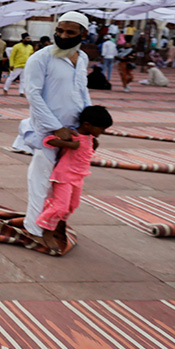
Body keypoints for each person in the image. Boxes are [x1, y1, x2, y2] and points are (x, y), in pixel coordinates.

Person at [16, 11, 92, 243]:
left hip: (74, 133)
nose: (62, 35)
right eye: (59, 30)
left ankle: (51, 222)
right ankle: (34, 230)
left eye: (70, 32)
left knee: (64, 183)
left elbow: (82, 92)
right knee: (40, 182)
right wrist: (55, 127)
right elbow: (34, 95)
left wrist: (88, 128)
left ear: (83, 34)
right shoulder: (41, 58)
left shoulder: (83, 58)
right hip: (48, 132)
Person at [35, 105, 113, 251]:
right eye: (101, 129)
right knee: (61, 206)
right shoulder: (73, 134)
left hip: (79, 177)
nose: (103, 132)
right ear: (87, 125)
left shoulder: (91, 138)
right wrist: (68, 144)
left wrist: (93, 147)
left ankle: (58, 226)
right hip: (64, 176)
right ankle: (47, 232)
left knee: (72, 205)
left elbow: (84, 155)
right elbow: (48, 140)